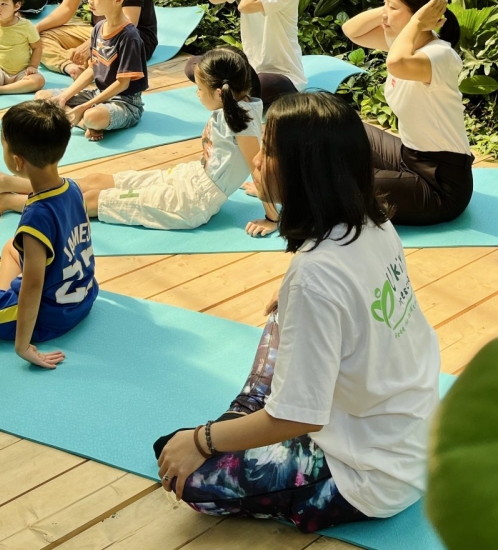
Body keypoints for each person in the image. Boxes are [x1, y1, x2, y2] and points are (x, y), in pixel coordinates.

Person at [153, 92, 441, 533]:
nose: (257, 158)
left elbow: (299, 417)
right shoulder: (374, 221)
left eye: (269, 150)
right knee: (280, 315)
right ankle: (244, 413)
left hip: (370, 475)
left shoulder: (314, 277)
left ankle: (240, 421)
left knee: (183, 469)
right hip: (410, 435)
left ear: (305, 171)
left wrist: (201, 440)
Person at [0, 100, 97, 369]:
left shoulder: (36, 217)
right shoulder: (72, 188)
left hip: (48, 317)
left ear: (16, 161)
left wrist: (23, 346)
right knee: (10, 248)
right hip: (83, 298)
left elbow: (32, 288)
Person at [74, 48, 278, 231]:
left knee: (92, 200)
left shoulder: (241, 121)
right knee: (95, 180)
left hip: (191, 202)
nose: (197, 94)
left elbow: (257, 167)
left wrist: (272, 218)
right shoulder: (239, 104)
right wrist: (258, 187)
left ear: (219, 93)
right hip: (189, 176)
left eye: (199, 88)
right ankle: (54, 189)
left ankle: (53, 209)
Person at [341, 0, 474, 226]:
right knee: (341, 126)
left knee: (339, 183)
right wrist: (391, 9)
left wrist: (417, 21)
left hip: (440, 185)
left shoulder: (439, 55)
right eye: (384, 4)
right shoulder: (404, 44)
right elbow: (351, 30)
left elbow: (396, 64)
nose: (384, 14)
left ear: (420, 14)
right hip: (408, 156)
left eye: (392, 7)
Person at [36, 0, 147, 141]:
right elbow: (92, 69)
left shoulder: (129, 36)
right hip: (98, 94)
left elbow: (123, 84)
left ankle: (83, 119)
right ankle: (81, 122)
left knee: (92, 116)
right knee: (42, 97)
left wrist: (85, 106)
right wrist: (65, 96)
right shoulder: (98, 28)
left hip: (125, 103)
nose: (90, 0)